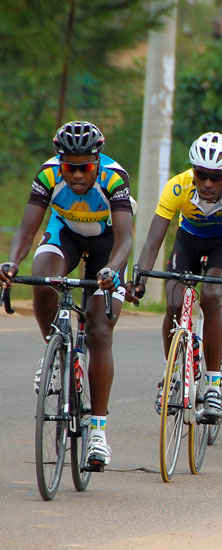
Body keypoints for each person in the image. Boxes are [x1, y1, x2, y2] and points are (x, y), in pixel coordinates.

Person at [0, 121, 132, 469]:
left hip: (107, 245)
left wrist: (111, 269)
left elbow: (125, 241)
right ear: (60, 163)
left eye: (84, 167)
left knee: (101, 332)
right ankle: (54, 350)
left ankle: (99, 434)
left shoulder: (114, 179)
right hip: (66, 235)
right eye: (69, 167)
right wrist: (12, 262)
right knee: (43, 280)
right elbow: (27, 231)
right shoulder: (47, 175)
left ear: (97, 162)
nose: (76, 175)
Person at [129, 132, 222, 423]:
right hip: (189, 240)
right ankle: (172, 374)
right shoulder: (177, 187)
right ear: (193, 172)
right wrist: (139, 278)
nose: (208, 184)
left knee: (212, 297)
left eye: (216, 177)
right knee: (174, 301)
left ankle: (212, 385)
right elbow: (152, 241)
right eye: (202, 175)